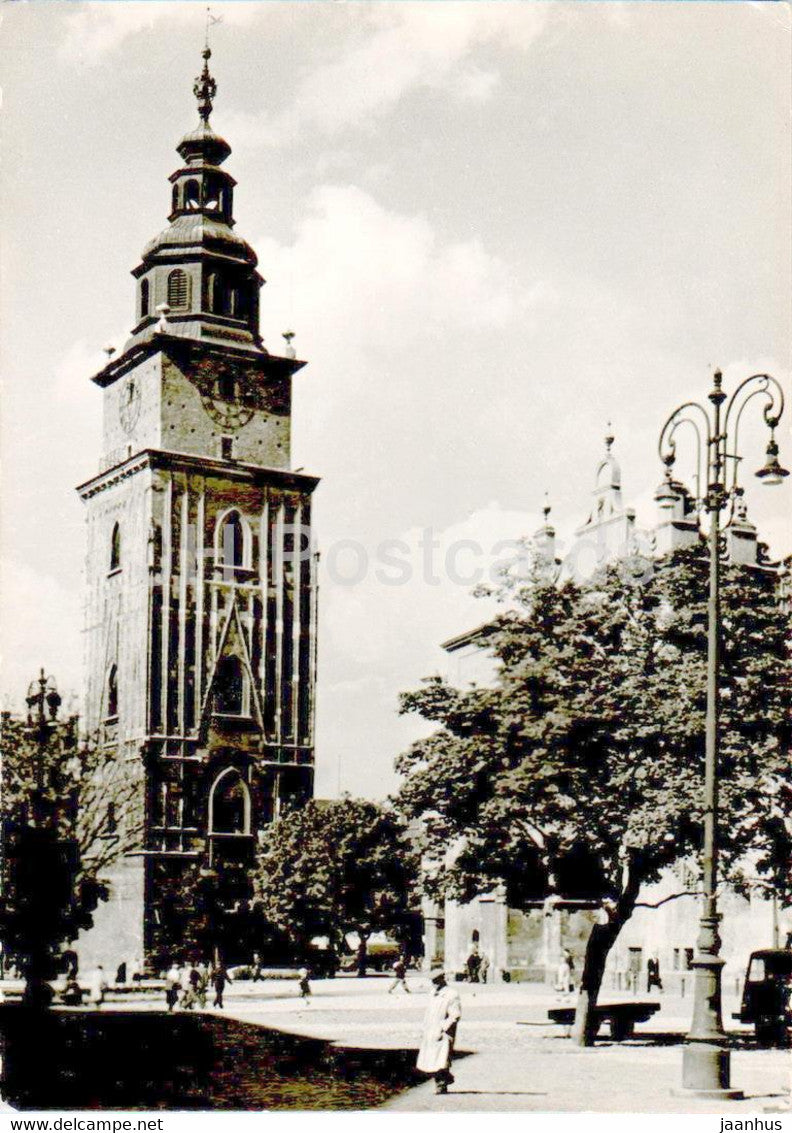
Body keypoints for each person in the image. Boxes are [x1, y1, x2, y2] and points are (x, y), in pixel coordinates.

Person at [416, 968, 462, 1095]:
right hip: (431, 1030)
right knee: (431, 1059)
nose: (434, 983)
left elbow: (455, 1015)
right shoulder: (432, 993)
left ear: (442, 979)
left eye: (436, 980)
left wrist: (443, 1028)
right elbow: (429, 1012)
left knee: (441, 1059)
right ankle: (447, 1077)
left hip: (444, 1033)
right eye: (432, 981)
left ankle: (441, 1085)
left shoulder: (452, 994)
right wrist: (424, 1027)